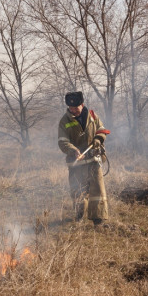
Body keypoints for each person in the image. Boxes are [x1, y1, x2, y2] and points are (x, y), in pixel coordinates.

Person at [58, 91, 109, 226]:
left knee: (97, 191)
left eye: (76, 108)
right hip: (76, 165)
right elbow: (62, 142)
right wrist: (73, 150)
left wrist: (98, 139)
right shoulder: (64, 121)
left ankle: (98, 220)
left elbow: (102, 130)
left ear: (82, 104)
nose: (73, 111)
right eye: (71, 108)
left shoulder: (92, 116)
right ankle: (79, 217)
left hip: (94, 161)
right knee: (78, 192)